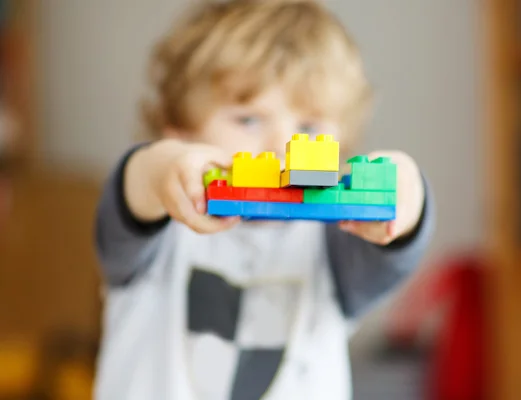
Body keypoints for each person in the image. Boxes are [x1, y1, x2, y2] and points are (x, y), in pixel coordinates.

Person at [93, 0, 435, 399]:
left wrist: (404, 189)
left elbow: (396, 243)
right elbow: (136, 189)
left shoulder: (337, 248)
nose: (282, 146)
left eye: (308, 128)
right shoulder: (153, 234)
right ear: (180, 136)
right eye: (248, 119)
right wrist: (165, 170)